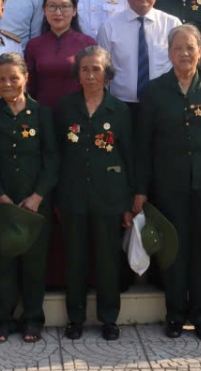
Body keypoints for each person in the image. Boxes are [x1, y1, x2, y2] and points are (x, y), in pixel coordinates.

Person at [135, 24, 201, 340]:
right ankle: (174, 313)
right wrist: (140, 190)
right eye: (178, 47)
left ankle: (200, 312)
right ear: (169, 53)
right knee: (173, 248)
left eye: (190, 47)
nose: (184, 53)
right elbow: (143, 147)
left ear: (200, 51)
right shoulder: (155, 91)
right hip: (169, 185)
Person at [56, 45, 134, 341]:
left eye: (96, 69)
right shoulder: (65, 108)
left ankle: (108, 318)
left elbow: (129, 157)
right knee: (75, 259)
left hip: (109, 196)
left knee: (107, 261)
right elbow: (56, 154)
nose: (90, 75)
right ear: (77, 74)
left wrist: (130, 200)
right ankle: (75, 318)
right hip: (73, 195)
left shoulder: (120, 110)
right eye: (85, 69)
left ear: (108, 74)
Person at [0, 52, 58, 344]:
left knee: (34, 264)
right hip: (2, 202)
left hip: (34, 204)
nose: (7, 83)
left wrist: (37, 196)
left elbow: (52, 159)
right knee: (1, 263)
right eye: (1, 78)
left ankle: (32, 319)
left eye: (13, 78)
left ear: (26, 78)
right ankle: (2, 319)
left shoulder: (42, 114)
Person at [96, 0, 182, 108]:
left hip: (163, 104)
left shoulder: (173, 25)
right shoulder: (109, 27)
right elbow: (103, 72)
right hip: (121, 105)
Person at [25, 0, 96, 110]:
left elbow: (95, 85)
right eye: (52, 6)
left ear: (74, 10)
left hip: (79, 114)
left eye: (64, 6)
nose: (58, 12)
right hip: (43, 114)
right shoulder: (33, 45)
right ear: (44, 10)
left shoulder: (87, 44)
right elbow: (30, 87)